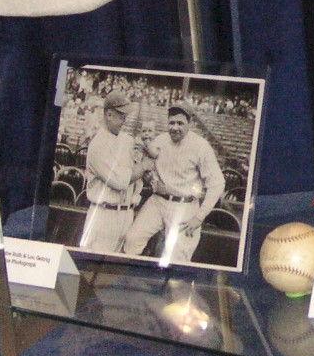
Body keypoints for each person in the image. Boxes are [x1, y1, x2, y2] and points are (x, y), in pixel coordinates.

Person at [123, 102, 226, 266]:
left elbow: (218, 183)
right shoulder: (161, 140)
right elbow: (148, 164)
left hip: (185, 207)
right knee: (132, 239)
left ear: (189, 123)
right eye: (171, 123)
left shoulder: (201, 146)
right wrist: (150, 176)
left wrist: (199, 217)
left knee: (178, 259)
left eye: (180, 123)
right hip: (158, 202)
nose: (175, 127)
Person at [77, 92, 145, 254]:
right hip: (103, 215)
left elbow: (136, 178)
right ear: (108, 115)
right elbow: (120, 181)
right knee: (94, 266)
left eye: (126, 116)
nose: (125, 121)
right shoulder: (97, 145)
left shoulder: (126, 140)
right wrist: (144, 166)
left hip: (126, 214)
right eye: (121, 116)